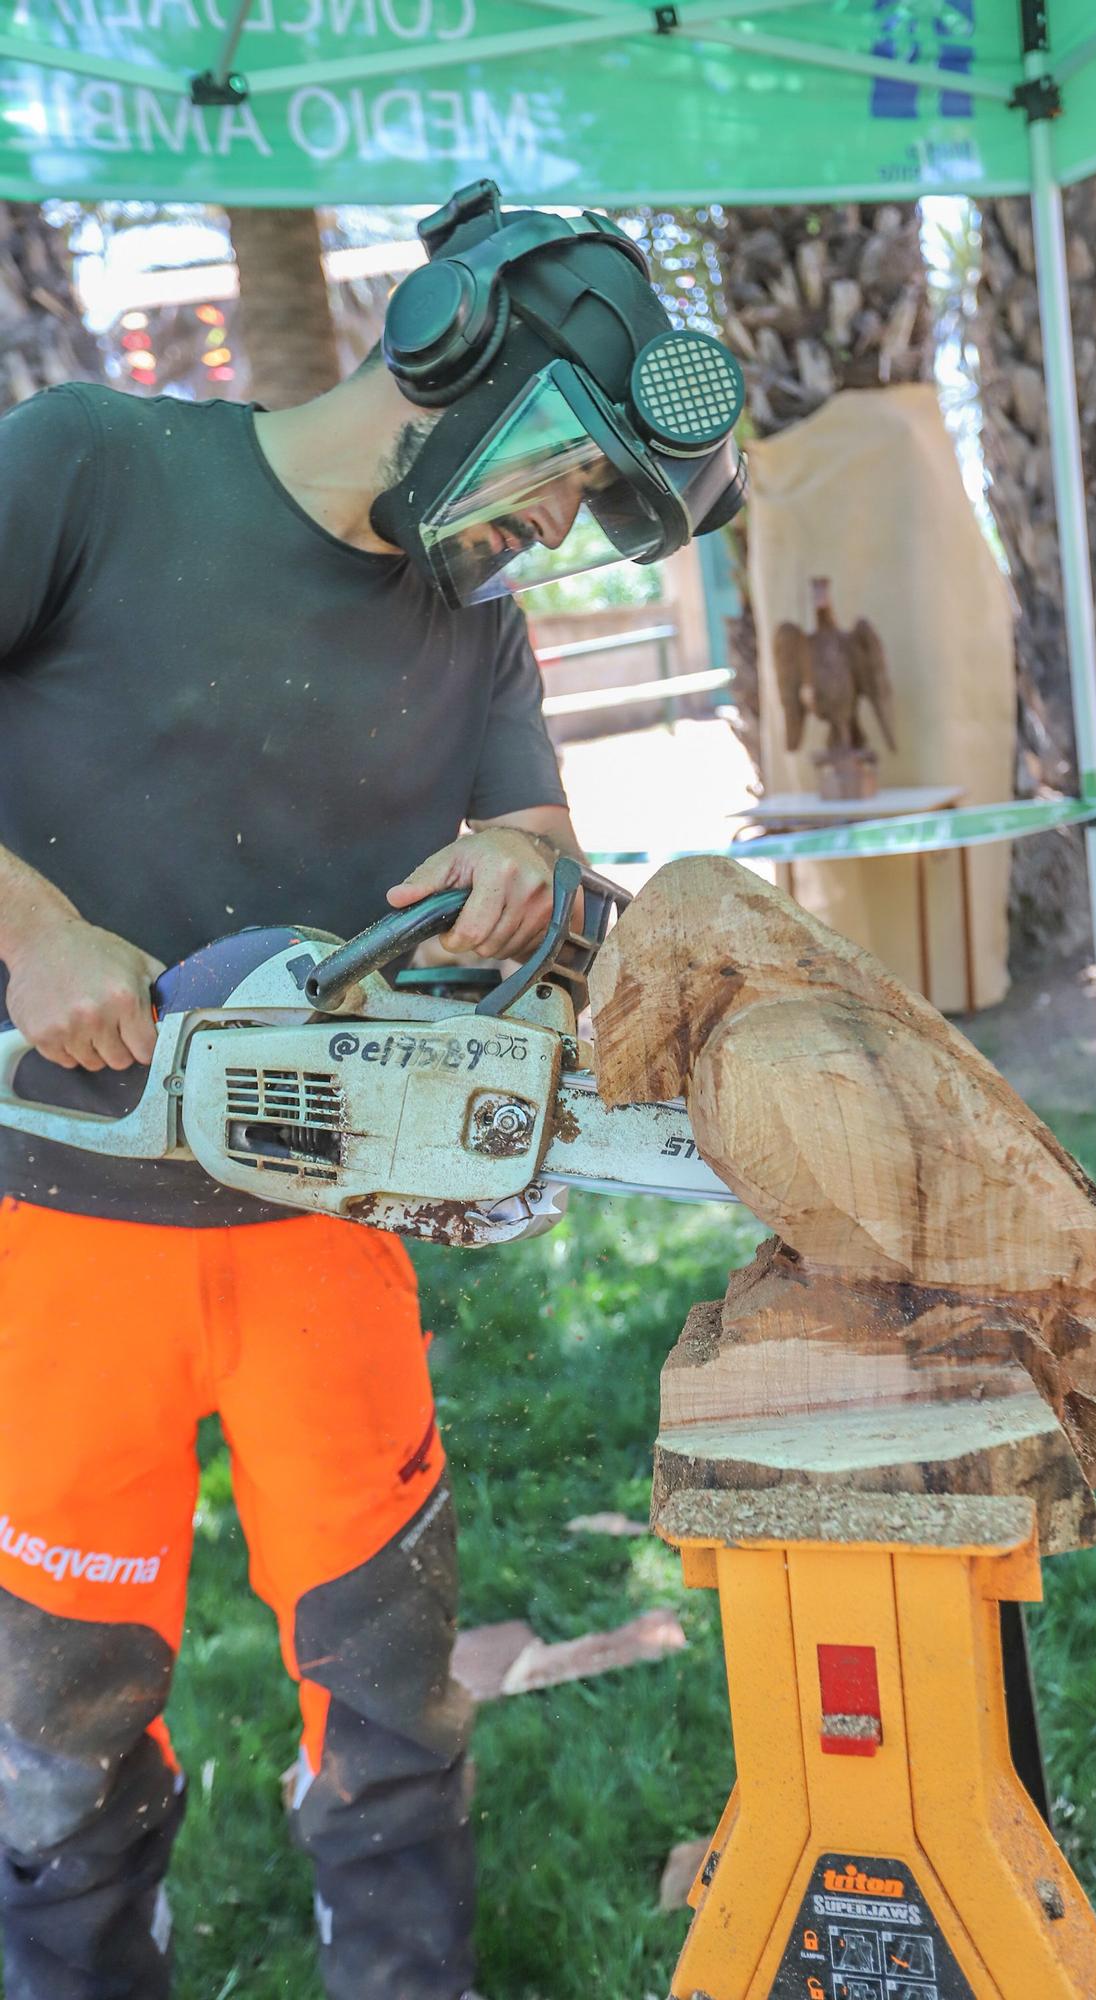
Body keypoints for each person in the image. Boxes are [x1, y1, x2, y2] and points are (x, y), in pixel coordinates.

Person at [0, 179, 745, 2000]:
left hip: (330, 1214)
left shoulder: (469, 622)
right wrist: (30, 927)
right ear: (452, 351)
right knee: (52, 1710)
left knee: (389, 1672)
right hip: (61, 1220)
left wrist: (522, 869)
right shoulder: (91, 464)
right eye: (562, 477)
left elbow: (544, 842)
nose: (553, 526)